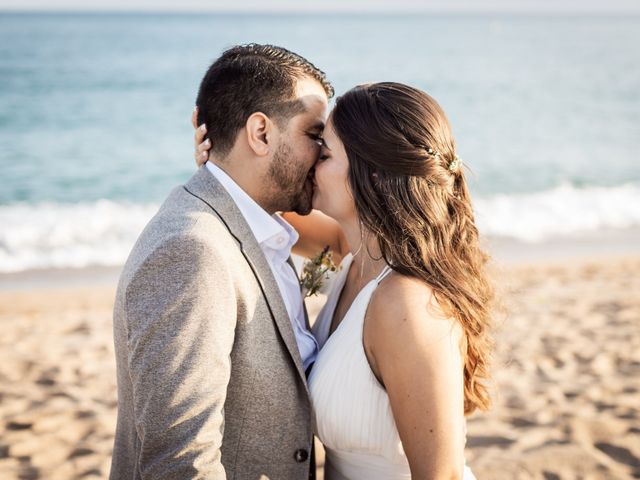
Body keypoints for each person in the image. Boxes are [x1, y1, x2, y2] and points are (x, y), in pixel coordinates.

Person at [195, 82, 494, 479]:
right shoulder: (355, 254)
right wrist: (223, 167)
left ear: (369, 173)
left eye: (326, 151)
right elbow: (257, 210)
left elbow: (443, 476)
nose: (312, 160)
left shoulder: (405, 304)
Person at [110, 43, 333, 479]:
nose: (323, 154)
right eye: (314, 134)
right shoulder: (191, 252)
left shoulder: (260, 226)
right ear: (261, 133)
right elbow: (181, 463)